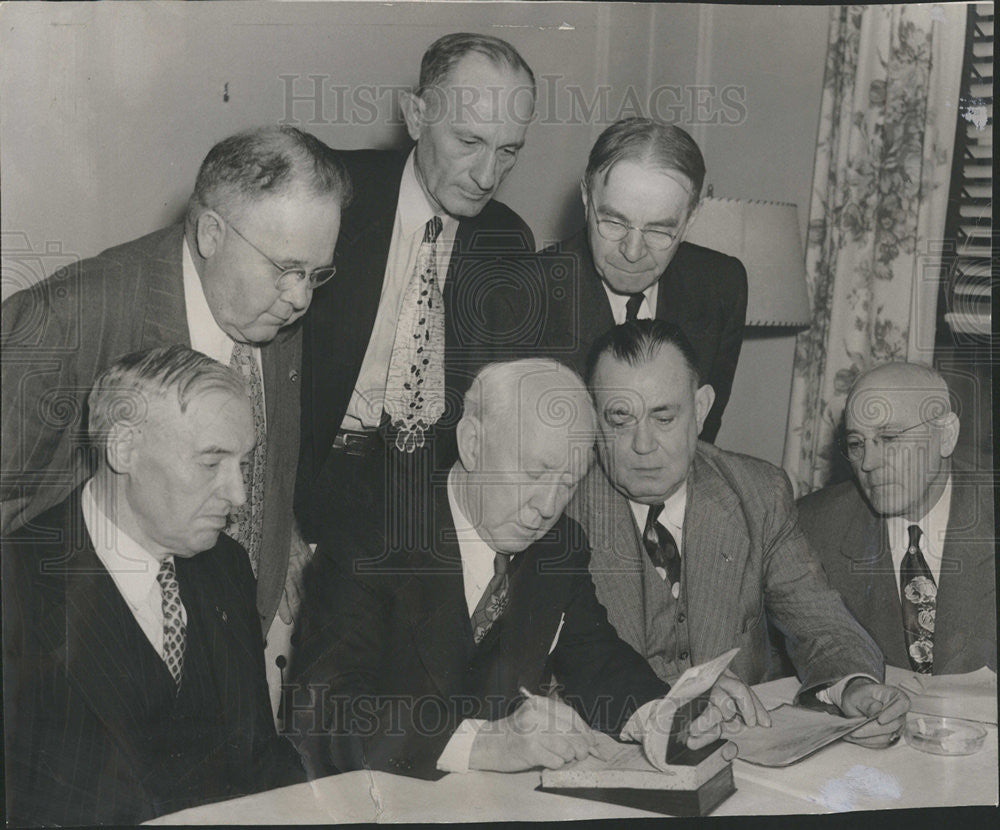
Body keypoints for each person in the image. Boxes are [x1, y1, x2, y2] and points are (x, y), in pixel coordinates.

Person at [290, 359, 771, 780]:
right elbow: (326, 712)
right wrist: (487, 744)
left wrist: (661, 714)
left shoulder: (558, 545)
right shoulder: (373, 536)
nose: (547, 506)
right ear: (473, 444)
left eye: (567, 484)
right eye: (535, 473)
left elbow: (595, 654)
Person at [1, 127, 350, 704]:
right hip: (77, 676)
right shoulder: (68, 321)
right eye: (287, 269)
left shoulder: (265, 311)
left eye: (316, 274)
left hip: (224, 647)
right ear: (211, 232)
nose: (301, 298)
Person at [570, 320, 910, 747]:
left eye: (664, 416)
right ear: (592, 416)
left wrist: (853, 687)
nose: (643, 444)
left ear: (701, 409)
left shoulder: (757, 493)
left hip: (743, 758)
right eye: (621, 418)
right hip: (604, 753)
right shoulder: (558, 508)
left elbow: (820, 621)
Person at [2, 346, 305, 826]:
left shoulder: (225, 566)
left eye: (243, 464)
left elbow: (260, 760)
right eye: (211, 463)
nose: (239, 496)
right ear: (123, 448)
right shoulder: (15, 585)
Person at [296, 32, 537, 545]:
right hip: (307, 480)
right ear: (415, 115)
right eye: (468, 142)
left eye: (508, 150)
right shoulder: (330, 195)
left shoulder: (508, 242)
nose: (487, 175)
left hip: (423, 507)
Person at [483, 117, 746, 442]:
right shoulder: (516, 296)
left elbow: (701, 441)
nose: (632, 252)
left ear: (690, 218)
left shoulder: (721, 286)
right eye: (613, 222)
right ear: (585, 197)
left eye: (659, 230)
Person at [798, 362, 996, 675]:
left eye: (889, 438)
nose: (868, 463)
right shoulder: (812, 527)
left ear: (945, 436)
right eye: (856, 444)